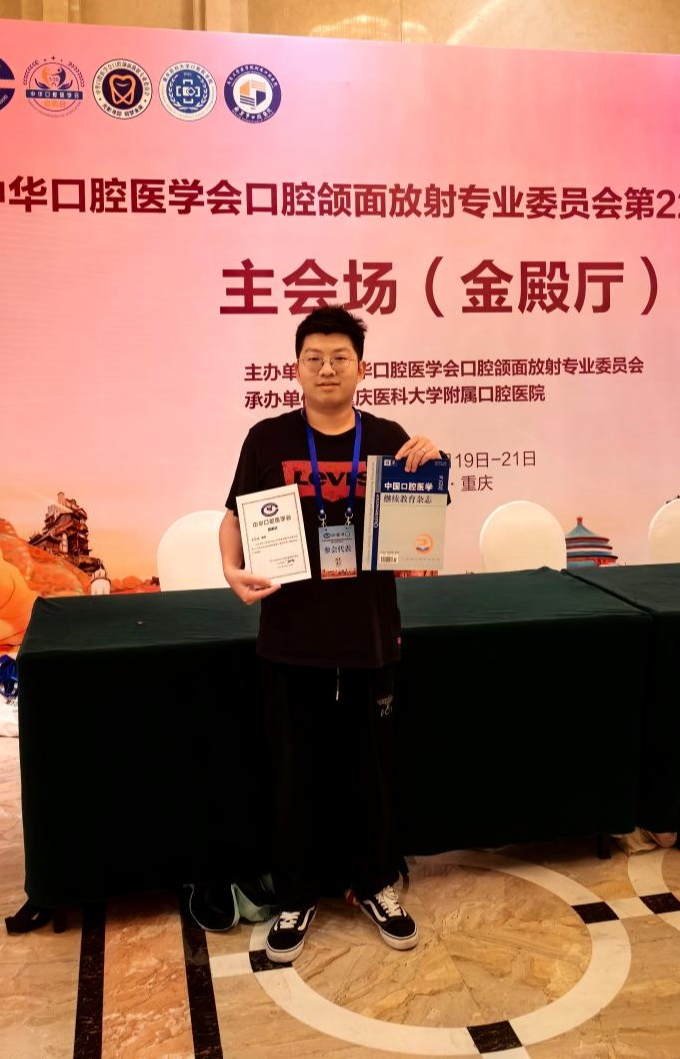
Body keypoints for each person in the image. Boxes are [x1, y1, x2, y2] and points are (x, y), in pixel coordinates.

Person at [216, 305, 444, 963]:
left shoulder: (389, 437)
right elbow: (233, 516)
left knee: (370, 770)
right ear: (295, 369)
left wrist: (431, 462)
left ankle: (374, 883)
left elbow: (423, 518)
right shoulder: (267, 438)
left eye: (339, 357)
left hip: (370, 635)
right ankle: (296, 894)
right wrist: (230, 568)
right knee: (295, 773)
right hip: (291, 638)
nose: (326, 368)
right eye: (313, 358)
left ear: (360, 369)